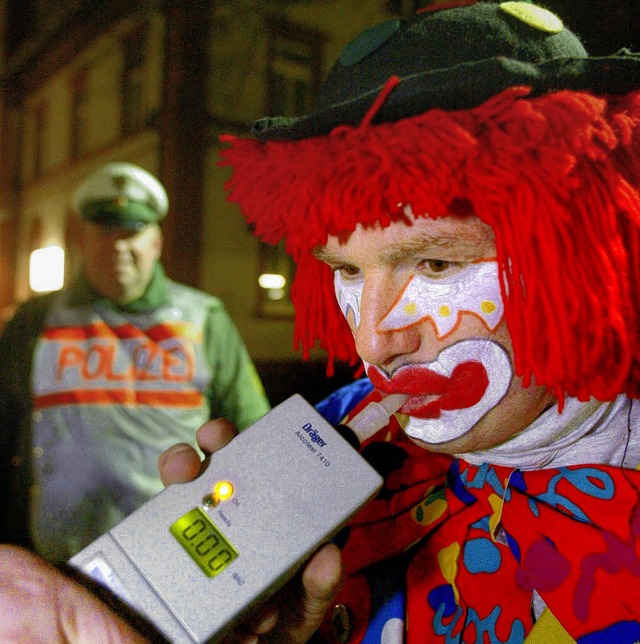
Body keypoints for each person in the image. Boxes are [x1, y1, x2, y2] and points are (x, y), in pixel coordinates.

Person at [1, 2, 640, 642]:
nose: (372, 341)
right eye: (348, 272)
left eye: (438, 262)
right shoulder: (336, 436)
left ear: (592, 247)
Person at [0, 162, 270, 564]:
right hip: (53, 561)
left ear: (156, 243)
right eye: (105, 231)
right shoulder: (35, 322)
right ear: (82, 240)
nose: (118, 246)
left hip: (173, 559)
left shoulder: (204, 318)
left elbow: (254, 434)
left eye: (132, 232)